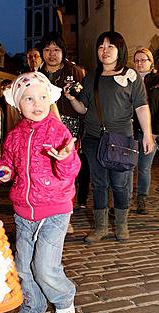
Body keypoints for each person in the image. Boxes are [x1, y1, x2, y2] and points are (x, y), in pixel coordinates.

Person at [0, 72, 81, 313]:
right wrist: (4, 169)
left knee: (44, 266)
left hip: (55, 210)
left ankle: (63, 297)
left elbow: (70, 171)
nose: (37, 103)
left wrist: (65, 158)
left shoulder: (58, 130)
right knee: (23, 266)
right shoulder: (14, 135)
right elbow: (7, 160)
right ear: (19, 104)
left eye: (42, 97)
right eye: (29, 98)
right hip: (23, 212)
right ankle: (33, 308)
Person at [65, 31, 154, 243]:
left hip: (121, 140)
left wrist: (147, 134)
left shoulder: (131, 77)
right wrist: (71, 99)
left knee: (121, 183)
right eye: (101, 47)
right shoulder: (91, 77)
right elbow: (83, 108)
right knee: (99, 183)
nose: (105, 51)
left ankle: (122, 225)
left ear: (119, 50)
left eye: (110, 47)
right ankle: (101, 227)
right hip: (94, 139)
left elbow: (141, 107)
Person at [40, 32, 90, 213]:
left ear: (63, 52)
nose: (51, 54)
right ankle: (49, 203)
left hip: (69, 128)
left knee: (66, 169)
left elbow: (84, 102)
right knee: (46, 167)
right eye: (47, 50)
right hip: (44, 128)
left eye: (56, 50)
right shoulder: (38, 74)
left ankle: (65, 206)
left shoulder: (74, 71)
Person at [132, 48, 159, 214]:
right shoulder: (130, 80)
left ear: (151, 62)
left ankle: (141, 199)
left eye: (143, 60)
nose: (140, 63)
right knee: (126, 167)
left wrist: (155, 131)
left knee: (144, 166)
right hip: (131, 130)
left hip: (151, 132)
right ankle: (125, 200)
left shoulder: (157, 80)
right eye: (137, 60)